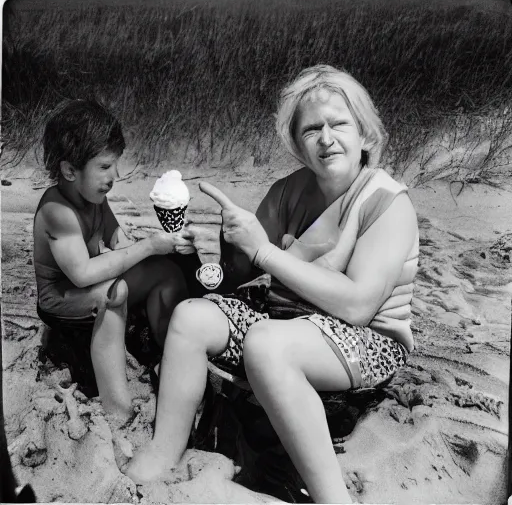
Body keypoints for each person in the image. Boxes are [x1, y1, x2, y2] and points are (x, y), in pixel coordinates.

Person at [125, 65, 419, 503]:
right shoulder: (288, 191)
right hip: (286, 318)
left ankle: (331, 496)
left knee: (265, 342)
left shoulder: (386, 203)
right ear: (298, 144)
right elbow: (229, 281)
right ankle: (165, 450)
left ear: (366, 134)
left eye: (339, 124)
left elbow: (358, 305)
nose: (326, 138)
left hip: (367, 336)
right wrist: (213, 251)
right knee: (190, 317)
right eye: (311, 129)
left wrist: (264, 252)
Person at [33, 99, 194, 424]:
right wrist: (149, 246)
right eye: (105, 167)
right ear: (69, 170)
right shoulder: (57, 211)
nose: (114, 176)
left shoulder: (94, 199)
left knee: (164, 270)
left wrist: (168, 246)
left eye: (114, 165)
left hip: (87, 284)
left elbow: (120, 243)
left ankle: (166, 346)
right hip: (60, 296)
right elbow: (81, 274)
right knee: (115, 293)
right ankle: (116, 403)